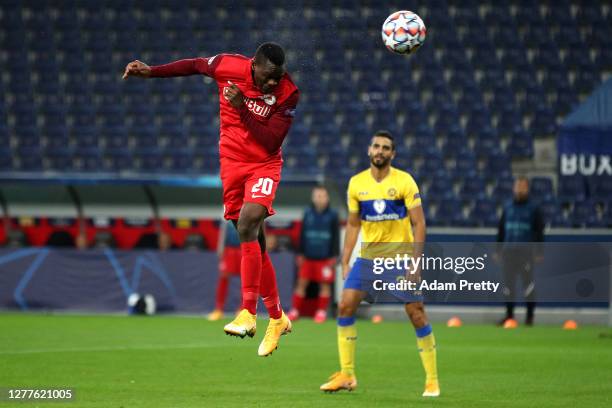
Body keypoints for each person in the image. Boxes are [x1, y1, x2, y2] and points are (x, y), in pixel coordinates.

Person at [123, 42, 299, 356]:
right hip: (231, 163)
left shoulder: (288, 93)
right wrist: (152, 72)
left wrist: (242, 106)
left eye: (278, 76)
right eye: (269, 76)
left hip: (264, 165)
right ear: (254, 65)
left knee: (247, 224)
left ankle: (247, 312)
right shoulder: (228, 65)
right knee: (253, 239)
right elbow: (193, 64)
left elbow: (271, 141)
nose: (274, 83)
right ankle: (276, 317)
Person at [319, 131, 439, 397]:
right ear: (369, 150)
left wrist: (415, 263)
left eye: (385, 148)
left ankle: (432, 380)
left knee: (416, 313)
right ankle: (347, 374)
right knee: (345, 305)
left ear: (392, 154)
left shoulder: (405, 181)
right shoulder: (356, 184)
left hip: (399, 256)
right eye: (376, 146)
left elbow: (419, 223)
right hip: (369, 258)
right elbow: (353, 224)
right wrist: (346, 259)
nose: (380, 151)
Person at [497, 176, 545, 327]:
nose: (519, 189)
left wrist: (539, 251)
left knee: (528, 285)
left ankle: (530, 317)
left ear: (527, 189)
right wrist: (498, 249)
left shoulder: (534, 208)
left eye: (522, 186)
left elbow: (539, 231)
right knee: (508, 286)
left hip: (526, 253)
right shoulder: (507, 207)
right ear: (514, 188)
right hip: (509, 251)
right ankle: (509, 316)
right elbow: (501, 229)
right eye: (517, 186)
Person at [288, 186, 339, 323]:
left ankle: (321, 312)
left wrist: (334, 255)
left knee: (325, 285)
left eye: (322, 196)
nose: (319, 199)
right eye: (317, 196)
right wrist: (300, 253)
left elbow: (336, 236)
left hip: (325, 258)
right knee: (302, 283)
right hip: (308, 256)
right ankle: (294, 311)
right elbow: (302, 234)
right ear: (313, 198)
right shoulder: (307, 213)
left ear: (327, 198)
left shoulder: (333, 215)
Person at [207, 220, 242, 321]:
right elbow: (224, 230)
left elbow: (260, 229)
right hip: (229, 250)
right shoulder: (229, 209)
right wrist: (220, 247)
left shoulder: (252, 207)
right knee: (223, 278)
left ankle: (243, 310)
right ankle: (218, 310)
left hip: (245, 248)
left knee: (246, 280)